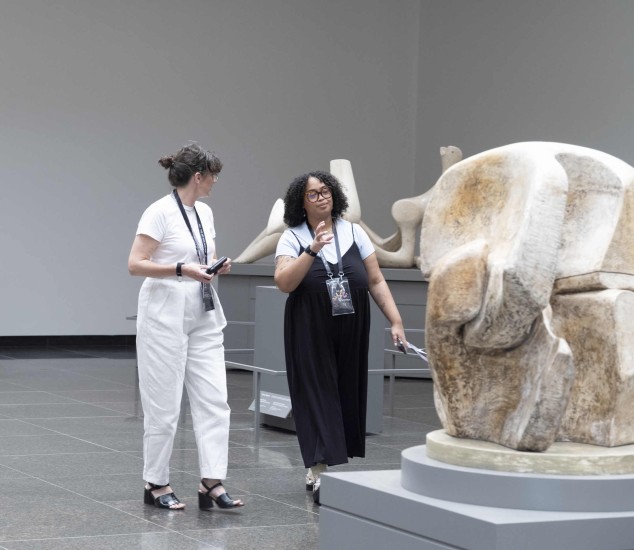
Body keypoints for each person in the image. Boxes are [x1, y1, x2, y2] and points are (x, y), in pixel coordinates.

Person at [274, 171, 407, 504]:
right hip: (309, 324)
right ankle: (318, 468)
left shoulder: (354, 232)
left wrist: (396, 320)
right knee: (318, 391)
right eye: (313, 194)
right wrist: (312, 249)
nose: (323, 197)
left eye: (326, 191)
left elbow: (375, 281)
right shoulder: (292, 236)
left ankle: (323, 458)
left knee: (344, 389)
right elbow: (284, 282)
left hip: (352, 322)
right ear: (300, 204)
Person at [128, 142, 244, 511]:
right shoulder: (158, 212)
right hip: (164, 312)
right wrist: (180, 269)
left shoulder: (204, 212)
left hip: (203, 309)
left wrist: (213, 265)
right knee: (163, 405)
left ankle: (211, 481)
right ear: (199, 176)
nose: (215, 182)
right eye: (213, 176)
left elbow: (201, 256)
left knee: (215, 399)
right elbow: (135, 263)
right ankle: (156, 482)